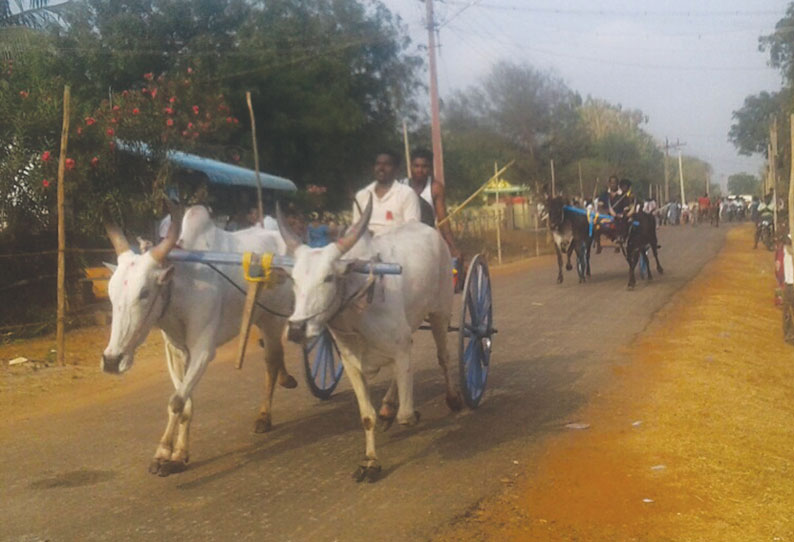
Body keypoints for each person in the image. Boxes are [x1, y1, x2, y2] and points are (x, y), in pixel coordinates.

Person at [401, 148, 460, 257]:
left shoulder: (435, 188)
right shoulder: (401, 186)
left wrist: (453, 247)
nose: (420, 170)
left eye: (424, 167)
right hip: (403, 239)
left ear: (430, 168)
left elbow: (443, 220)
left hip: (427, 240)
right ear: (411, 167)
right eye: (416, 166)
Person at [353, 151, 420, 236]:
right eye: (378, 164)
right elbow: (355, 229)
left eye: (387, 165)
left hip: (397, 246)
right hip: (366, 246)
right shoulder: (362, 195)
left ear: (396, 169)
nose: (381, 168)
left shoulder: (407, 194)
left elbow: (412, 230)